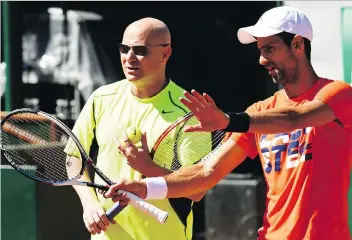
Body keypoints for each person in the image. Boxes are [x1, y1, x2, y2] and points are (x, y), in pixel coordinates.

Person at [103, 6, 352, 240]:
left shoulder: (338, 94)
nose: (262, 60)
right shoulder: (259, 112)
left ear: (297, 44)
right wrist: (145, 187)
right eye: (260, 50)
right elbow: (206, 173)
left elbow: (295, 119)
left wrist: (226, 120)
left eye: (270, 49)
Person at [71, 17, 206, 240]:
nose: (129, 58)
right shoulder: (101, 98)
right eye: (124, 49)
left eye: (140, 50)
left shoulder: (189, 112)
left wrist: (147, 167)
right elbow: (73, 156)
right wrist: (90, 204)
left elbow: (197, 190)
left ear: (165, 54)